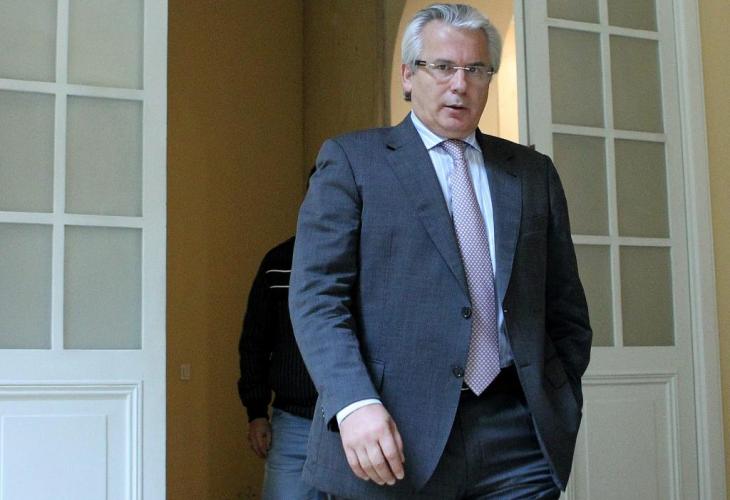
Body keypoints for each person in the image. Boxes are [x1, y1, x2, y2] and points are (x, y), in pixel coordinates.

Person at [289, 3, 592, 500]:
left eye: (476, 69)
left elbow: (565, 304)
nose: (460, 85)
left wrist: (561, 394)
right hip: (392, 437)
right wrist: (353, 403)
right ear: (408, 76)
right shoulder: (353, 161)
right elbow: (316, 298)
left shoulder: (532, 173)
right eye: (443, 67)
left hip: (518, 437)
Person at [237, 236, 325, 500]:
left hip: (360, 421)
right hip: (293, 422)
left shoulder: (372, 257)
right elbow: (255, 341)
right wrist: (256, 412)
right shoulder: (278, 261)